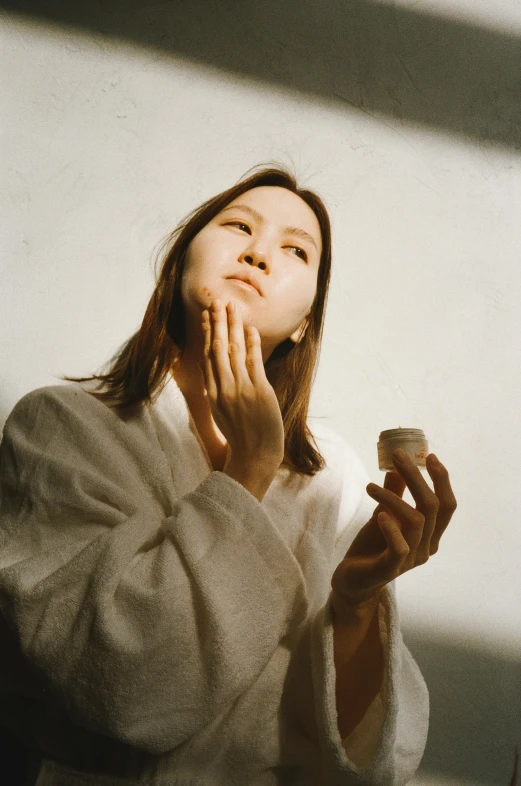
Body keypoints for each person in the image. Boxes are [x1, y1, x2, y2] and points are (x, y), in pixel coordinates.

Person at [0, 164, 457, 786]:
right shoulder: (61, 426)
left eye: (296, 249)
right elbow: (117, 685)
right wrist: (249, 468)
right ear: (179, 266)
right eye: (239, 226)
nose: (259, 252)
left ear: (304, 321)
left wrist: (354, 604)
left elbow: (355, 759)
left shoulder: (339, 477)